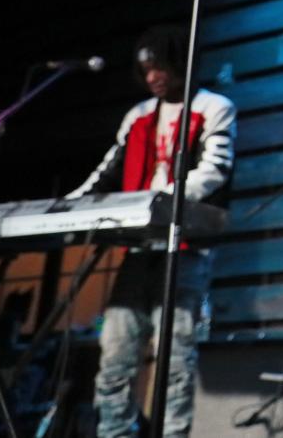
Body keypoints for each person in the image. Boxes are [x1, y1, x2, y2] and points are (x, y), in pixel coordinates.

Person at [67, 25, 236, 438]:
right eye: (146, 70)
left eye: (159, 67)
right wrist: (72, 204)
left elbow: (214, 170)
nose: (153, 77)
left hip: (186, 247)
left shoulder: (214, 107)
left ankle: (172, 433)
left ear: (179, 64)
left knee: (175, 358)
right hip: (140, 250)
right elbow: (109, 166)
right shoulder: (139, 115)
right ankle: (114, 432)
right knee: (116, 354)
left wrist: (160, 200)